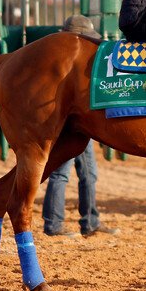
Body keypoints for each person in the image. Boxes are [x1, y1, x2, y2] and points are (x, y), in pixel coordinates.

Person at [42, 15, 119, 238]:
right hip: (68, 124)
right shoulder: (60, 59)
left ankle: (90, 222)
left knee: (89, 174)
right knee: (61, 173)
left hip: (81, 124)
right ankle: (53, 225)